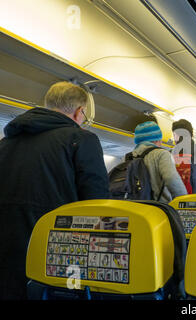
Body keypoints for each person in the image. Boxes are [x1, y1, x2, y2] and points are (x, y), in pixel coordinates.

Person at [0, 81, 110, 299]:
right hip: (60, 254)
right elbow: (97, 204)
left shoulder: (6, 143)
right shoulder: (82, 139)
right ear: (80, 112)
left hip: (6, 253)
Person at [132, 121, 187, 203]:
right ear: (156, 139)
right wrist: (185, 202)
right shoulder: (161, 154)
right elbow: (172, 180)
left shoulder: (130, 156)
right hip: (158, 208)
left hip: (136, 207)